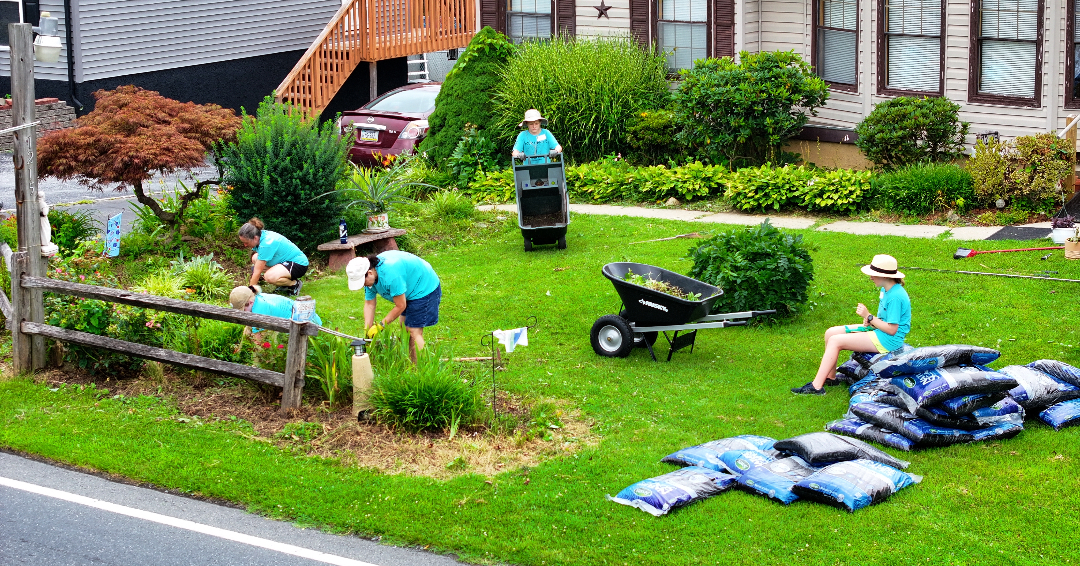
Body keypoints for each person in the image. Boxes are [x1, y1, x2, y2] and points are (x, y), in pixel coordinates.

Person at [791, 254, 912, 395]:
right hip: (880, 331)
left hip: (888, 340)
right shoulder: (885, 289)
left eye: (874, 274)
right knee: (830, 333)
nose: (871, 277)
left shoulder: (896, 296)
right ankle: (831, 378)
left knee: (836, 341)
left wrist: (869, 316)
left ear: (884, 276)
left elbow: (892, 330)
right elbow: (883, 319)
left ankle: (816, 386)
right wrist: (870, 321)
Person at [346, 251, 441, 363]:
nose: (363, 285)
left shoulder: (391, 275)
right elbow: (369, 304)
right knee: (404, 326)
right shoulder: (370, 277)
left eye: (363, 282)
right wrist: (368, 329)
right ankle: (411, 362)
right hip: (408, 286)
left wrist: (380, 326)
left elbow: (401, 305)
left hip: (424, 287)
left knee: (413, 331)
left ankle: (421, 370)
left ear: (370, 273)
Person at [237, 218, 309, 296]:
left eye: (246, 242)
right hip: (284, 261)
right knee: (255, 258)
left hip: (299, 264)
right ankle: (284, 284)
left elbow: (257, 272)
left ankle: (294, 284)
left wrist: (249, 294)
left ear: (255, 238)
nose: (245, 245)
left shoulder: (267, 243)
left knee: (269, 277)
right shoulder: (260, 235)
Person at [228, 285, 322, 337]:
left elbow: (258, 339)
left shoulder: (259, 310)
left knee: (268, 338)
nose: (243, 314)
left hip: (306, 327)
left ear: (250, 302)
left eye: (243, 310)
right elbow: (248, 326)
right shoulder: (258, 298)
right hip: (308, 319)